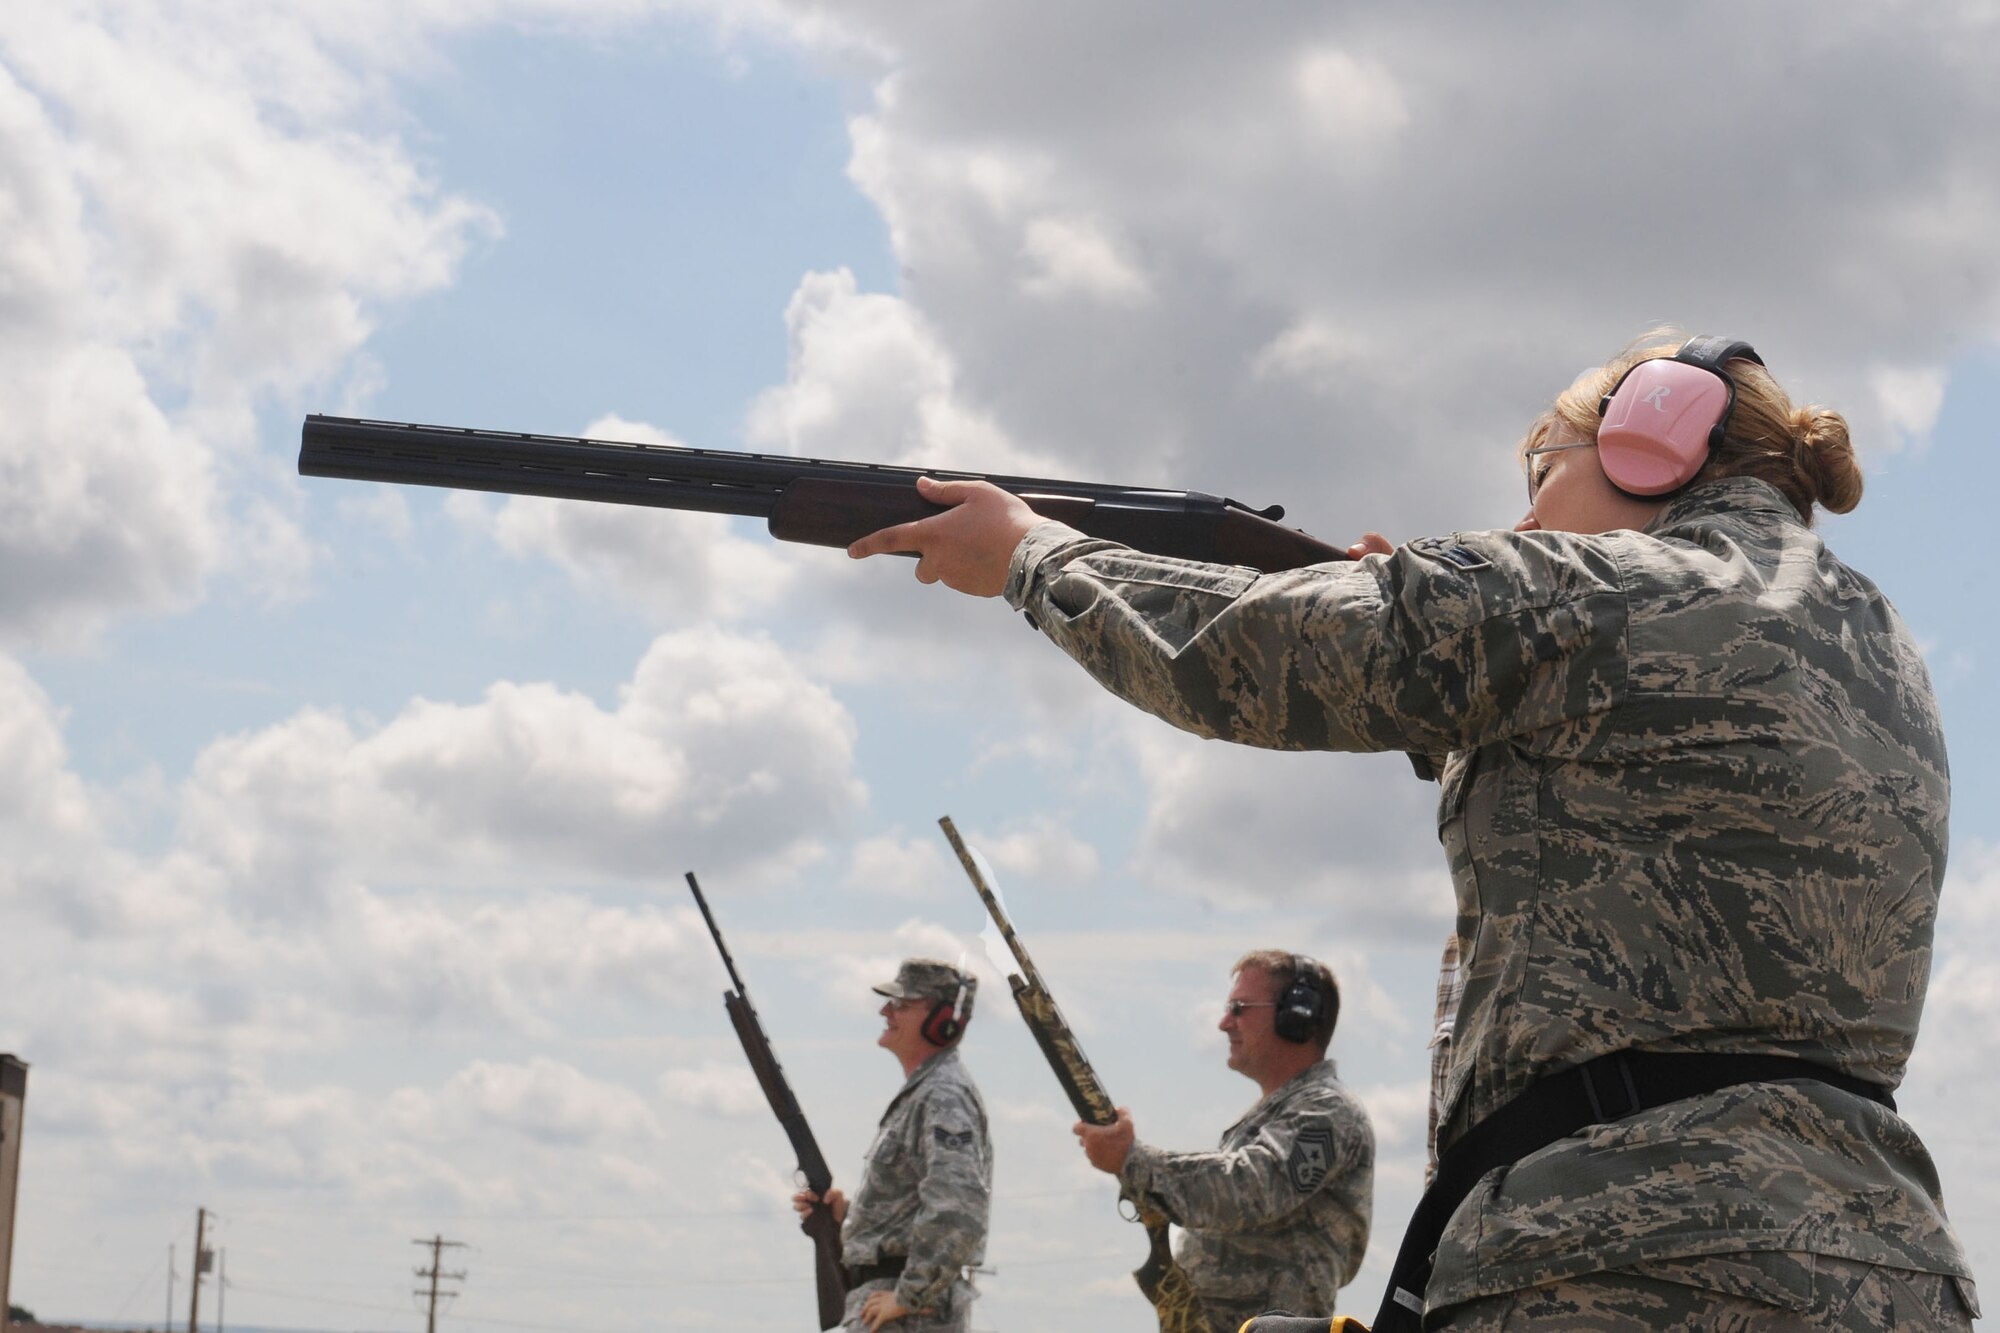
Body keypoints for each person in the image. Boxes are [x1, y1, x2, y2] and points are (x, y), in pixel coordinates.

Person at [848, 332, 1976, 1328]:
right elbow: (1635, 790)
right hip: (1882, 1264)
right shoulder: (1879, 651)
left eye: (1541, 471)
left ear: (1648, 447)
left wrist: (1032, 557)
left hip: (1622, 1259)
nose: (1525, 514)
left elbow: (1244, 655)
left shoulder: (1589, 581)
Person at [1075, 950, 1372, 1333]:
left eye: (1239, 1007)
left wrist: (1132, 1161)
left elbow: (1249, 1188)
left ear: (1296, 1015)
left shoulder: (1330, 1111)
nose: (1223, 1023)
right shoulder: (1278, 1112)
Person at [793, 959, 992, 1332]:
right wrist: (848, 1218)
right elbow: (919, 1204)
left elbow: (959, 1209)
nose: (886, 1011)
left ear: (941, 1022)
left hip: (908, 1315)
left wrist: (909, 1296)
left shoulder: (943, 1095)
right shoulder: (926, 1094)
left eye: (901, 1004)